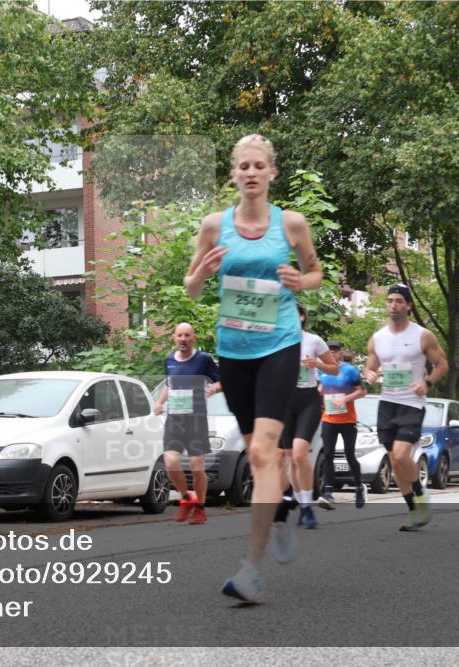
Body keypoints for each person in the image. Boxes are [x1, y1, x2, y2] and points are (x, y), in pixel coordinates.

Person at [184, 134, 323, 602]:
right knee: (255, 448)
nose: (250, 172)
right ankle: (281, 509)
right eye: (242, 165)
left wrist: (300, 280)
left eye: (258, 165)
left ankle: (252, 569)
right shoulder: (213, 226)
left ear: (271, 173)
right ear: (233, 173)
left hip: (279, 345)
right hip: (234, 350)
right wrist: (202, 273)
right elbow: (191, 288)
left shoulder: (293, 224)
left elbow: (315, 273)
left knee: (264, 453)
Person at [364, 285, 448, 532]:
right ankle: (413, 511)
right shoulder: (377, 338)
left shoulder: (423, 335)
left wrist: (427, 381)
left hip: (411, 403)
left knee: (401, 456)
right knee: (394, 460)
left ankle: (421, 496)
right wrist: (368, 374)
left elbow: (442, 364)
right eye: (389, 301)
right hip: (387, 403)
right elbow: (370, 368)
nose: (393, 305)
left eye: (399, 301)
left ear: (409, 305)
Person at [275, 304, 337, 533]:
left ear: (301, 316)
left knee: (300, 453)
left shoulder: (314, 341)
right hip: (284, 400)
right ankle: (303, 505)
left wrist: (317, 364)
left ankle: (308, 507)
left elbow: (334, 369)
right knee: (290, 458)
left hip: (308, 399)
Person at [153, 322, 221, 525]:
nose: (183, 339)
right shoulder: (169, 360)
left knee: (196, 467)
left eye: (187, 335)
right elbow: (169, 384)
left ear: (193, 338)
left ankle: (200, 508)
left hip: (196, 420)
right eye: (179, 335)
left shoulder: (203, 360)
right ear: (174, 337)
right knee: (171, 463)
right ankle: (185, 497)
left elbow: (222, 380)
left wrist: (213, 389)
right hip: (174, 420)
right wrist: (159, 402)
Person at [318, 343, 368, 508]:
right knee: (328, 455)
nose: (332, 355)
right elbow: (320, 387)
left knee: (349, 455)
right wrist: (320, 392)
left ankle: (359, 488)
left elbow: (362, 391)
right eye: (329, 352)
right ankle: (328, 492)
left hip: (347, 420)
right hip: (328, 419)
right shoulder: (322, 370)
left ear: (340, 354)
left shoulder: (350, 370)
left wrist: (345, 399)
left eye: (334, 352)